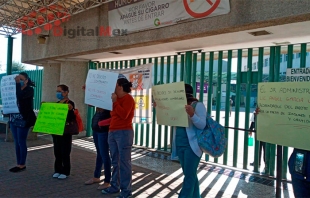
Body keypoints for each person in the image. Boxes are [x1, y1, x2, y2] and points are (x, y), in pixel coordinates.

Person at [155, 84, 207, 198]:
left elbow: (202, 125)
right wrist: (160, 109)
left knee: (189, 175)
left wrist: (192, 114)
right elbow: (170, 120)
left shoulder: (198, 105)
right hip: (180, 144)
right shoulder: (177, 106)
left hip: (193, 146)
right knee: (190, 174)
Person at [101, 76, 135, 198]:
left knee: (124, 162)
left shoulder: (128, 99)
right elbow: (113, 114)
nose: (113, 89)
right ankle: (115, 186)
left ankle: (126, 191)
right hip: (113, 132)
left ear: (120, 86)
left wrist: (115, 102)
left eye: (115, 86)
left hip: (124, 133)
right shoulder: (114, 100)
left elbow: (124, 115)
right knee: (115, 161)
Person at [82, 85, 112, 190]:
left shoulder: (111, 100)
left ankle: (107, 180)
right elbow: (90, 103)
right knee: (99, 154)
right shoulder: (100, 99)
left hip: (104, 131)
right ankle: (96, 176)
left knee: (104, 155)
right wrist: (88, 91)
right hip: (96, 130)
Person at [9, 72, 36, 173]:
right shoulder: (14, 90)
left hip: (23, 119)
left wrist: (16, 84)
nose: (18, 81)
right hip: (13, 119)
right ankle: (18, 163)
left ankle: (22, 164)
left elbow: (19, 96)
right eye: (17, 79)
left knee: (21, 141)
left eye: (20, 79)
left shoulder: (29, 90)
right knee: (17, 142)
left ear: (26, 80)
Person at [52, 84, 76, 179]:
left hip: (65, 131)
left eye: (60, 91)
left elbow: (71, 117)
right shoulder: (57, 103)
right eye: (57, 91)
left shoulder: (70, 103)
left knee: (65, 152)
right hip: (56, 131)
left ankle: (65, 171)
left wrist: (70, 109)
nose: (58, 93)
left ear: (66, 92)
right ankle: (57, 170)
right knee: (57, 151)